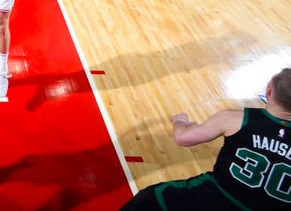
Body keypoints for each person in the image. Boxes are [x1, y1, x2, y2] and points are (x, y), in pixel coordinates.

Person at [122, 68, 291, 210]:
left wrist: (180, 122)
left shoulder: (236, 119)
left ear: (268, 91)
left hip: (212, 198)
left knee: (151, 198)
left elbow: (183, 138)